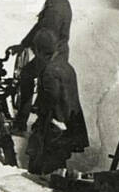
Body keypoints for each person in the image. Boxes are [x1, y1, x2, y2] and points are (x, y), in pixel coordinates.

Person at [8, 0, 71, 133]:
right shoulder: (57, 2)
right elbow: (39, 27)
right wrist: (23, 45)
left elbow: (48, 36)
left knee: (27, 75)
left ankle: (21, 122)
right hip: (54, 54)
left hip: (51, 56)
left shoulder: (55, 8)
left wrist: (39, 54)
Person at [27, 29, 89, 175]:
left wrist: (37, 110)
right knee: (58, 164)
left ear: (40, 51)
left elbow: (52, 98)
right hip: (69, 124)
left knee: (46, 167)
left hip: (55, 126)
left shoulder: (49, 71)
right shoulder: (67, 66)